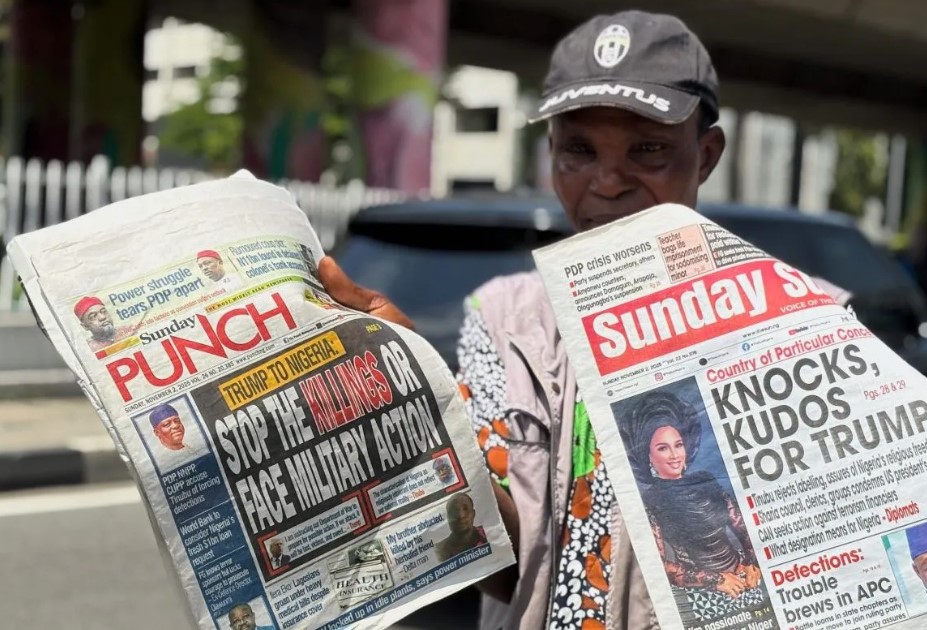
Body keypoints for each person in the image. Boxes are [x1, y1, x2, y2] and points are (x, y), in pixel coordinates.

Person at [317, 10, 850, 629]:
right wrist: (416, 409)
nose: (608, 182)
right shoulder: (504, 319)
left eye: (648, 149)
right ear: (551, 154)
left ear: (705, 155)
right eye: (579, 150)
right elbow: (507, 568)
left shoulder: (802, 319)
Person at [620, 391, 766, 622]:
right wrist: (716, 580)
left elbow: (741, 525)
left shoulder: (706, 480)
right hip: (703, 591)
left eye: (678, 445)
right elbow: (658, 564)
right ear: (648, 456)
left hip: (744, 573)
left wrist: (751, 562)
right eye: (663, 448)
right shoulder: (651, 501)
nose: (674, 455)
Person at [436, 493, 489, 562]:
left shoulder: (488, 532)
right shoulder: (438, 551)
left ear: (473, 514)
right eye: (454, 510)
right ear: (448, 517)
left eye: (465, 509)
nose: (461, 515)